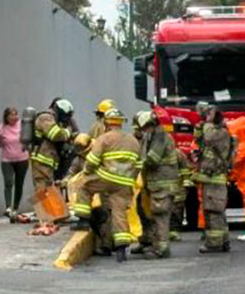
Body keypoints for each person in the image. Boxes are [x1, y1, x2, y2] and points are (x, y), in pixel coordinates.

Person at [71, 109, 142, 263]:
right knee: (119, 213)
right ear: (121, 122)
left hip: (106, 178)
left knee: (84, 186)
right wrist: (130, 179)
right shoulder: (133, 141)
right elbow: (138, 165)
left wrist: (87, 173)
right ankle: (121, 250)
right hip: (125, 183)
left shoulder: (104, 139)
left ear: (106, 123)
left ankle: (83, 219)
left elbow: (93, 161)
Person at [134, 110, 180, 259]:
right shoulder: (154, 135)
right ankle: (153, 243)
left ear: (149, 124)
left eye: (143, 128)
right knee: (150, 212)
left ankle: (161, 248)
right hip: (156, 184)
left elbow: (153, 159)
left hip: (162, 184)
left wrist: (136, 165)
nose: (142, 131)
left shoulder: (160, 137)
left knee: (160, 214)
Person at [192, 106, 231, 253]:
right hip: (211, 179)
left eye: (209, 114)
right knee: (216, 212)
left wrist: (207, 123)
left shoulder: (221, 133)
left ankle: (214, 243)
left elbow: (208, 136)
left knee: (213, 211)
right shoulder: (216, 131)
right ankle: (223, 241)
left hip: (215, 179)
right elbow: (199, 138)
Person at [30, 98, 77, 192]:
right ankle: (42, 207)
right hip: (41, 160)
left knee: (48, 189)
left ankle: (45, 207)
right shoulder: (45, 117)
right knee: (42, 189)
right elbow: (57, 135)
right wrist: (68, 130)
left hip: (49, 161)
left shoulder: (55, 119)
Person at [0, 107, 28, 220]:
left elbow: (28, 139)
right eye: (12, 115)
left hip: (22, 159)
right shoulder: (2, 127)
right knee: (8, 181)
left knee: (19, 184)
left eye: (16, 114)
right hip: (7, 160)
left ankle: (15, 208)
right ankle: (8, 207)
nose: (15, 117)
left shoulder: (22, 125)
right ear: (6, 117)